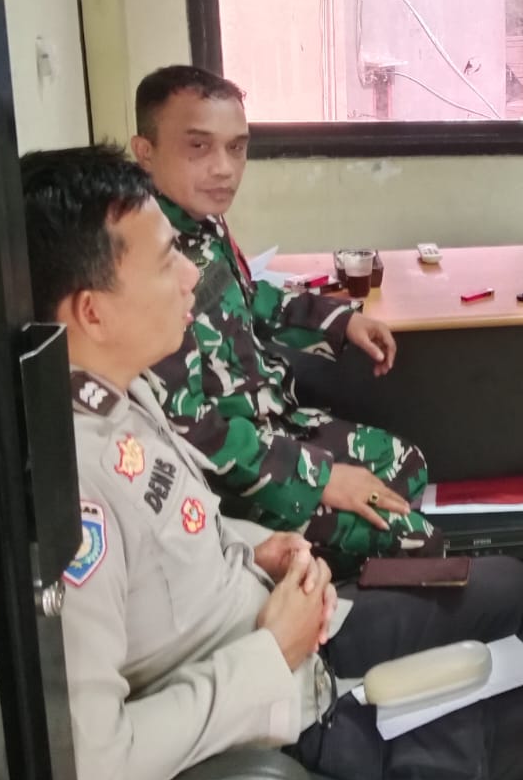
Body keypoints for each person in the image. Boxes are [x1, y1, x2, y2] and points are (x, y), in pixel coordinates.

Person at [0, 145, 523, 780]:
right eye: (166, 262)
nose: (191, 277)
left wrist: (255, 549)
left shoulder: (115, 392)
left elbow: (176, 536)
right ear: (92, 310)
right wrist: (272, 652)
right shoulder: (72, 495)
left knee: (511, 591)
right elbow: (86, 772)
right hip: (258, 757)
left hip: (278, 648)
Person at [129, 64, 436, 571]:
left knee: (408, 466)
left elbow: (248, 298)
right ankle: (313, 597)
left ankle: (338, 572)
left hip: (275, 423)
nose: (225, 168)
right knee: (416, 542)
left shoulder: (201, 223)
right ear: (145, 152)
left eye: (237, 147)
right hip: (231, 476)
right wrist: (320, 479)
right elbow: (191, 430)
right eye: (199, 146)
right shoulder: (145, 258)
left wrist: (341, 321)